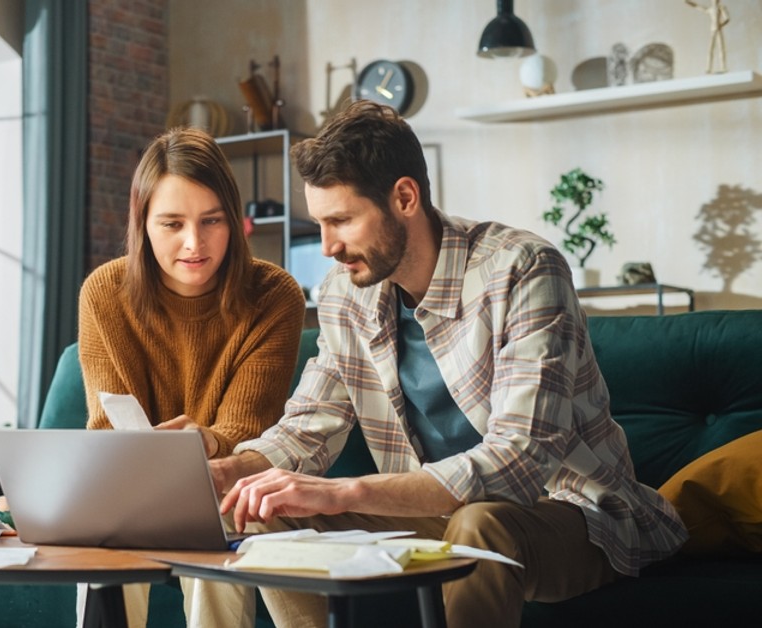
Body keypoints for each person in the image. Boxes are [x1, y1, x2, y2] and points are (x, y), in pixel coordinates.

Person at [205, 100, 688, 628]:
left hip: (569, 513)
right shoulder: (345, 293)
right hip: (433, 515)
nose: (327, 246)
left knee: (480, 526)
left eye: (341, 220)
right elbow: (308, 426)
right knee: (263, 510)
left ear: (404, 197)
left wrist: (348, 490)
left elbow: (521, 458)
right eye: (320, 223)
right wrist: (229, 473)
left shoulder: (523, 269)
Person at [61, 126, 307, 628]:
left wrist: (208, 442)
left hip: (228, 484)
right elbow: (108, 431)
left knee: (217, 504)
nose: (194, 243)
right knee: (108, 514)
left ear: (234, 220)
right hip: (131, 486)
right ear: (143, 223)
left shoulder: (274, 294)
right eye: (172, 223)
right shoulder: (104, 293)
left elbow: (250, 430)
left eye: (211, 220)